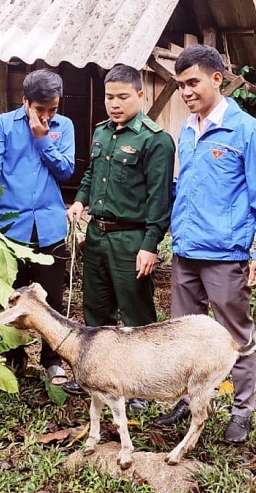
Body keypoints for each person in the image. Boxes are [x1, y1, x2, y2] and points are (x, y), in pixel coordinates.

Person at [151, 45, 256, 443]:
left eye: (193, 82)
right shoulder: (187, 129)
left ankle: (243, 410)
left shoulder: (246, 130)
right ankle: (187, 401)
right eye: (180, 85)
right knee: (182, 337)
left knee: (234, 337)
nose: (186, 91)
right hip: (186, 252)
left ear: (217, 79)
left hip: (225, 255)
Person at [66, 64, 175, 402]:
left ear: (140, 95)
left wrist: (150, 245)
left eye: (123, 97)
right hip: (97, 236)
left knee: (137, 316)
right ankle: (98, 380)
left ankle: (144, 387)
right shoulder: (101, 133)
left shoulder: (156, 141)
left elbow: (160, 200)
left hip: (132, 239)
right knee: (96, 311)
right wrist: (80, 202)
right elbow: (90, 174)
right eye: (109, 97)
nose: (114, 104)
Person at [0, 69, 75, 384]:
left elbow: (66, 171)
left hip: (50, 226)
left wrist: (43, 138)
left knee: (52, 299)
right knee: (13, 296)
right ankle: (14, 356)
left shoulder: (64, 127)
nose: (47, 115)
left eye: (53, 110)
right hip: (12, 227)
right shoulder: (3, 125)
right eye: (40, 109)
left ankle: (52, 359)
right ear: (25, 101)